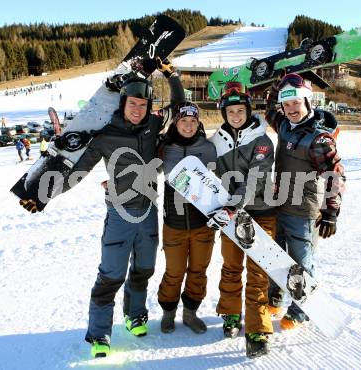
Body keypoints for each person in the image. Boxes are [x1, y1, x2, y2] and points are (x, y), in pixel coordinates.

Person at [19, 59, 184, 358]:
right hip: (120, 214)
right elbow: (76, 172)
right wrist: (43, 195)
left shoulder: (154, 126)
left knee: (144, 269)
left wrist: (171, 77)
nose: (138, 109)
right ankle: (100, 334)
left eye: (143, 104)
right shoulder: (106, 135)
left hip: (148, 210)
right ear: (123, 104)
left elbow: (181, 106)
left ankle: (135, 316)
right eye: (133, 103)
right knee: (111, 275)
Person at [265, 73, 345, 330]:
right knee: (275, 257)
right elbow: (269, 108)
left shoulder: (319, 139)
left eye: (295, 103)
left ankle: (300, 311)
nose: (290, 110)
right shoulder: (285, 125)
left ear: (308, 102)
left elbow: (335, 175)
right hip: (279, 205)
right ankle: (274, 297)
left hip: (303, 211)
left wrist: (331, 212)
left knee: (302, 264)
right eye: (286, 105)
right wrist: (277, 81)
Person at [207, 82, 276, 359]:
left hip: (260, 211)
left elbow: (255, 179)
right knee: (231, 267)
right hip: (230, 213)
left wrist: (233, 206)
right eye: (230, 111)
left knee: (258, 273)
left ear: (248, 109)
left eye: (240, 110)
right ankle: (231, 313)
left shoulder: (262, 140)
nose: (236, 115)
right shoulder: (216, 142)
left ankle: (258, 327)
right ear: (224, 113)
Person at [157, 102, 217, 335]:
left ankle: (190, 313)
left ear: (199, 123)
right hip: (174, 223)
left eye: (193, 121)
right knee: (174, 271)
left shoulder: (208, 148)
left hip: (203, 222)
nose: (189, 126)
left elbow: (219, 181)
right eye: (184, 121)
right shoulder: (165, 147)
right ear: (176, 122)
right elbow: (144, 169)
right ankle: (168, 312)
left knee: (198, 271)